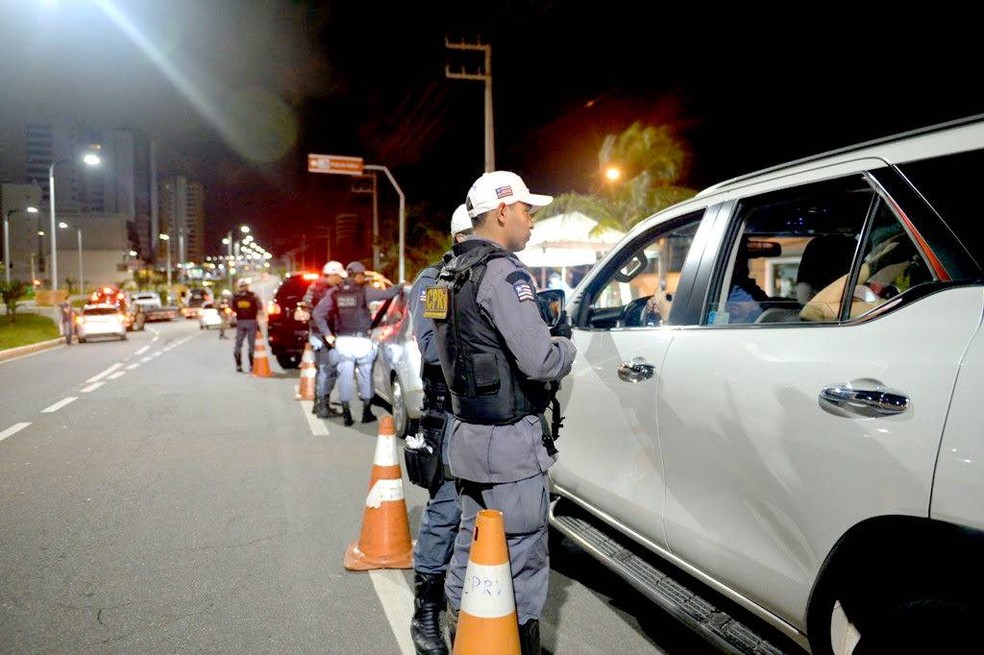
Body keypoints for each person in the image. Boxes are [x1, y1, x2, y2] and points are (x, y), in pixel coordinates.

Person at [432, 171, 577, 655]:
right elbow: (539, 361)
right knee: (521, 554)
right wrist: (566, 347)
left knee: (470, 544)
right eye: (526, 210)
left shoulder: (446, 274)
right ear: (501, 211)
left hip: (465, 434)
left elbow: (440, 353)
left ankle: (463, 636)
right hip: (508, 445)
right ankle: (513, 645)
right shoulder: (504, 273)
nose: (531, 220)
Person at [405, 204, 472, 655]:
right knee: (447, 510)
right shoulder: (435, 282)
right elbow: (433, 348)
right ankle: (426, 609)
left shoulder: (507, 275)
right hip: (449, 414)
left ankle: (472, 605)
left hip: (493, 417)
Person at [312, 260, 403, 426]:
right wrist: (400, 287)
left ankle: (347, 414)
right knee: (365, 375)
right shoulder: (365, 291)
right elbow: (387, 294)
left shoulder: (335, 292)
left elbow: (318, 313)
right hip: (362, 341)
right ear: (359, 275)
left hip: (343, 342)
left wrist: (327, 334)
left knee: (344, 376)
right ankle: (366, 412)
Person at [302, 261, 347, 419]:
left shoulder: (313, 287)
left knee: (323, 370)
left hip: (317, 333)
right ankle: (322, 406)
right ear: (333, 275)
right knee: (327, 370)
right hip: (324, 335)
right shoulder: (329, 290)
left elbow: (305, 306)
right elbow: (312, 311)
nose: (341, 280)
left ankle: (319, 403)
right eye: (339, 277)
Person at [231, 278, 260, 372]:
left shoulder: (235, 297)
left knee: (238, 345)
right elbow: (260, 306)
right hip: (252, 322)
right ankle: (252, 366)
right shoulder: (253, 296)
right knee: (251, 345)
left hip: (240, 322)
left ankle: (238, 365)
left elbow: (232, 307)